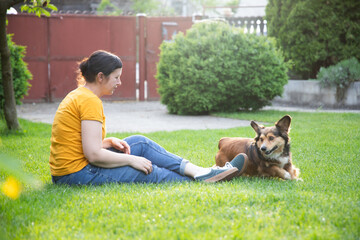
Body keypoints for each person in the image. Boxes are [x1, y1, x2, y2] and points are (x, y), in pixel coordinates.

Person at [49, 50, 248, 185]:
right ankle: (206, 180)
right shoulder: (89, 101)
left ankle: (203, 172)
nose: (119, 82)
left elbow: (80, 144)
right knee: (145, 169)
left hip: (70, 171)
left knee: (140, 142)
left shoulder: (80, 95)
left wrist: (106, 142)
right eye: (116, 77)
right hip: (75, 175)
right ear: (101, 76)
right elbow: (93, 155)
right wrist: (132, 160)